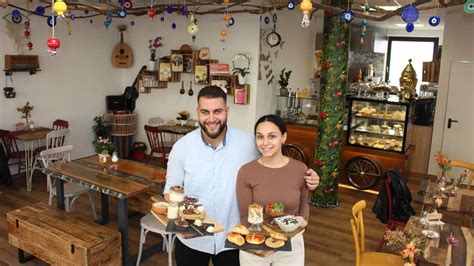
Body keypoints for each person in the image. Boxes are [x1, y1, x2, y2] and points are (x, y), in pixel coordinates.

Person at [163, 86, 319, 266]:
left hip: (234, 239)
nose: (212, 119)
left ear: (227, 111)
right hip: (193, 238)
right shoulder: (182, 147)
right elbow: (170, 191)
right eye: (205, 112)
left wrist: (307, 176)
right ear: (197, 111)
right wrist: (183, 218)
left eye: (218, 111)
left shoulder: (248, 143)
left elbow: (276, 165)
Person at [236, 114, 308, 265]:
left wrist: (302, 220)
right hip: (256, 243)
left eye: (272, 136)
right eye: (260, 137)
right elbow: (245, 215)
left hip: (291, 244)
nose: (265, 142)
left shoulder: (300, 170)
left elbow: (303, 206)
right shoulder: (246, 171)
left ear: (284, 137)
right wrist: (261, 240)